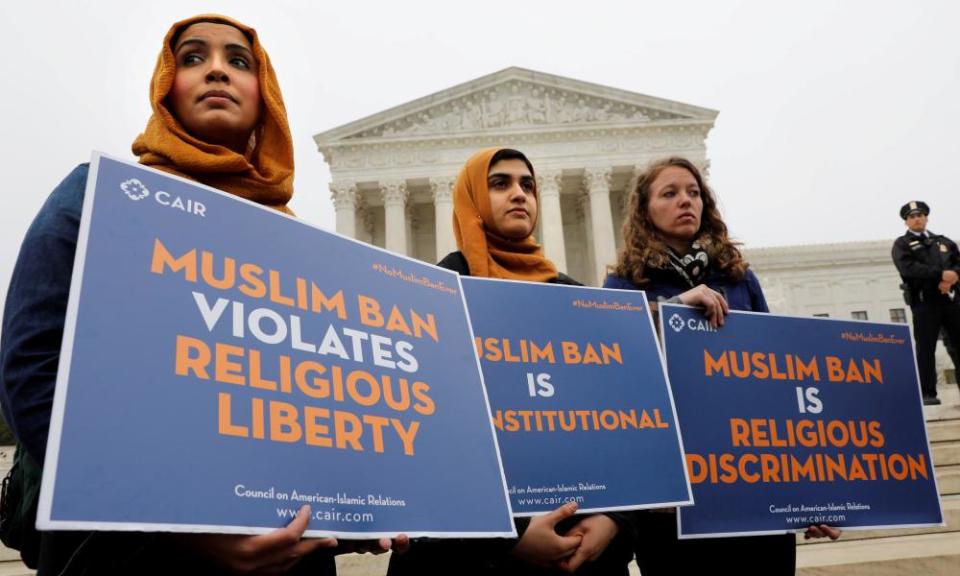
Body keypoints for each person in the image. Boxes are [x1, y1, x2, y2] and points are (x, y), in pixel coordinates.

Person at [0, 14, 404, 574]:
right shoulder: (96, 196)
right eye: (192, 58)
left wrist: (354, 518)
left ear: (266, 96)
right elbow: (32, 372)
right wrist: (185, 523)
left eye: (239, 61)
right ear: (168, 84)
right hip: (125, 553)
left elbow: (321, 409)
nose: (217, 70)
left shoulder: (300, 243)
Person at [387, 148, 636, 575]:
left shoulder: (580, 301)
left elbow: (622, 424)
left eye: (528, 185)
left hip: (576, 549)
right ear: (472, 198)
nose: (518, 193)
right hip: (461, 560)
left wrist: (615, 521)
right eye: (499, 183)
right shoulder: (429, 297)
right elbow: (416, 436)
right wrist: (507, 539)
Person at [603, 156, 840, 575]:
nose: (685, 201)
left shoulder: (738, 278)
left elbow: (777, 380)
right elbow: (617, 368)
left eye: (693, 192)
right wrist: (674, 309)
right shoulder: (624, 283)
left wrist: (809, 491)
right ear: (644, 209)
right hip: (674, 494)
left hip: (753, 478)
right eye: (670, 193)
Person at [892, 201, 960, 405]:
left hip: (950, 299)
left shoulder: (944, 242)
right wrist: (940, 275)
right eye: (912, 216)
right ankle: (928, 393)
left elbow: (957, 263)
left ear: (926, 217)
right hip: (925, 302)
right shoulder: (902, 244)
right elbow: (908, 268)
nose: (917, 219)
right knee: (926, 348)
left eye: (920, 215)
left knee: (958, 346)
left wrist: (952, 277)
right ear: (906, 221)